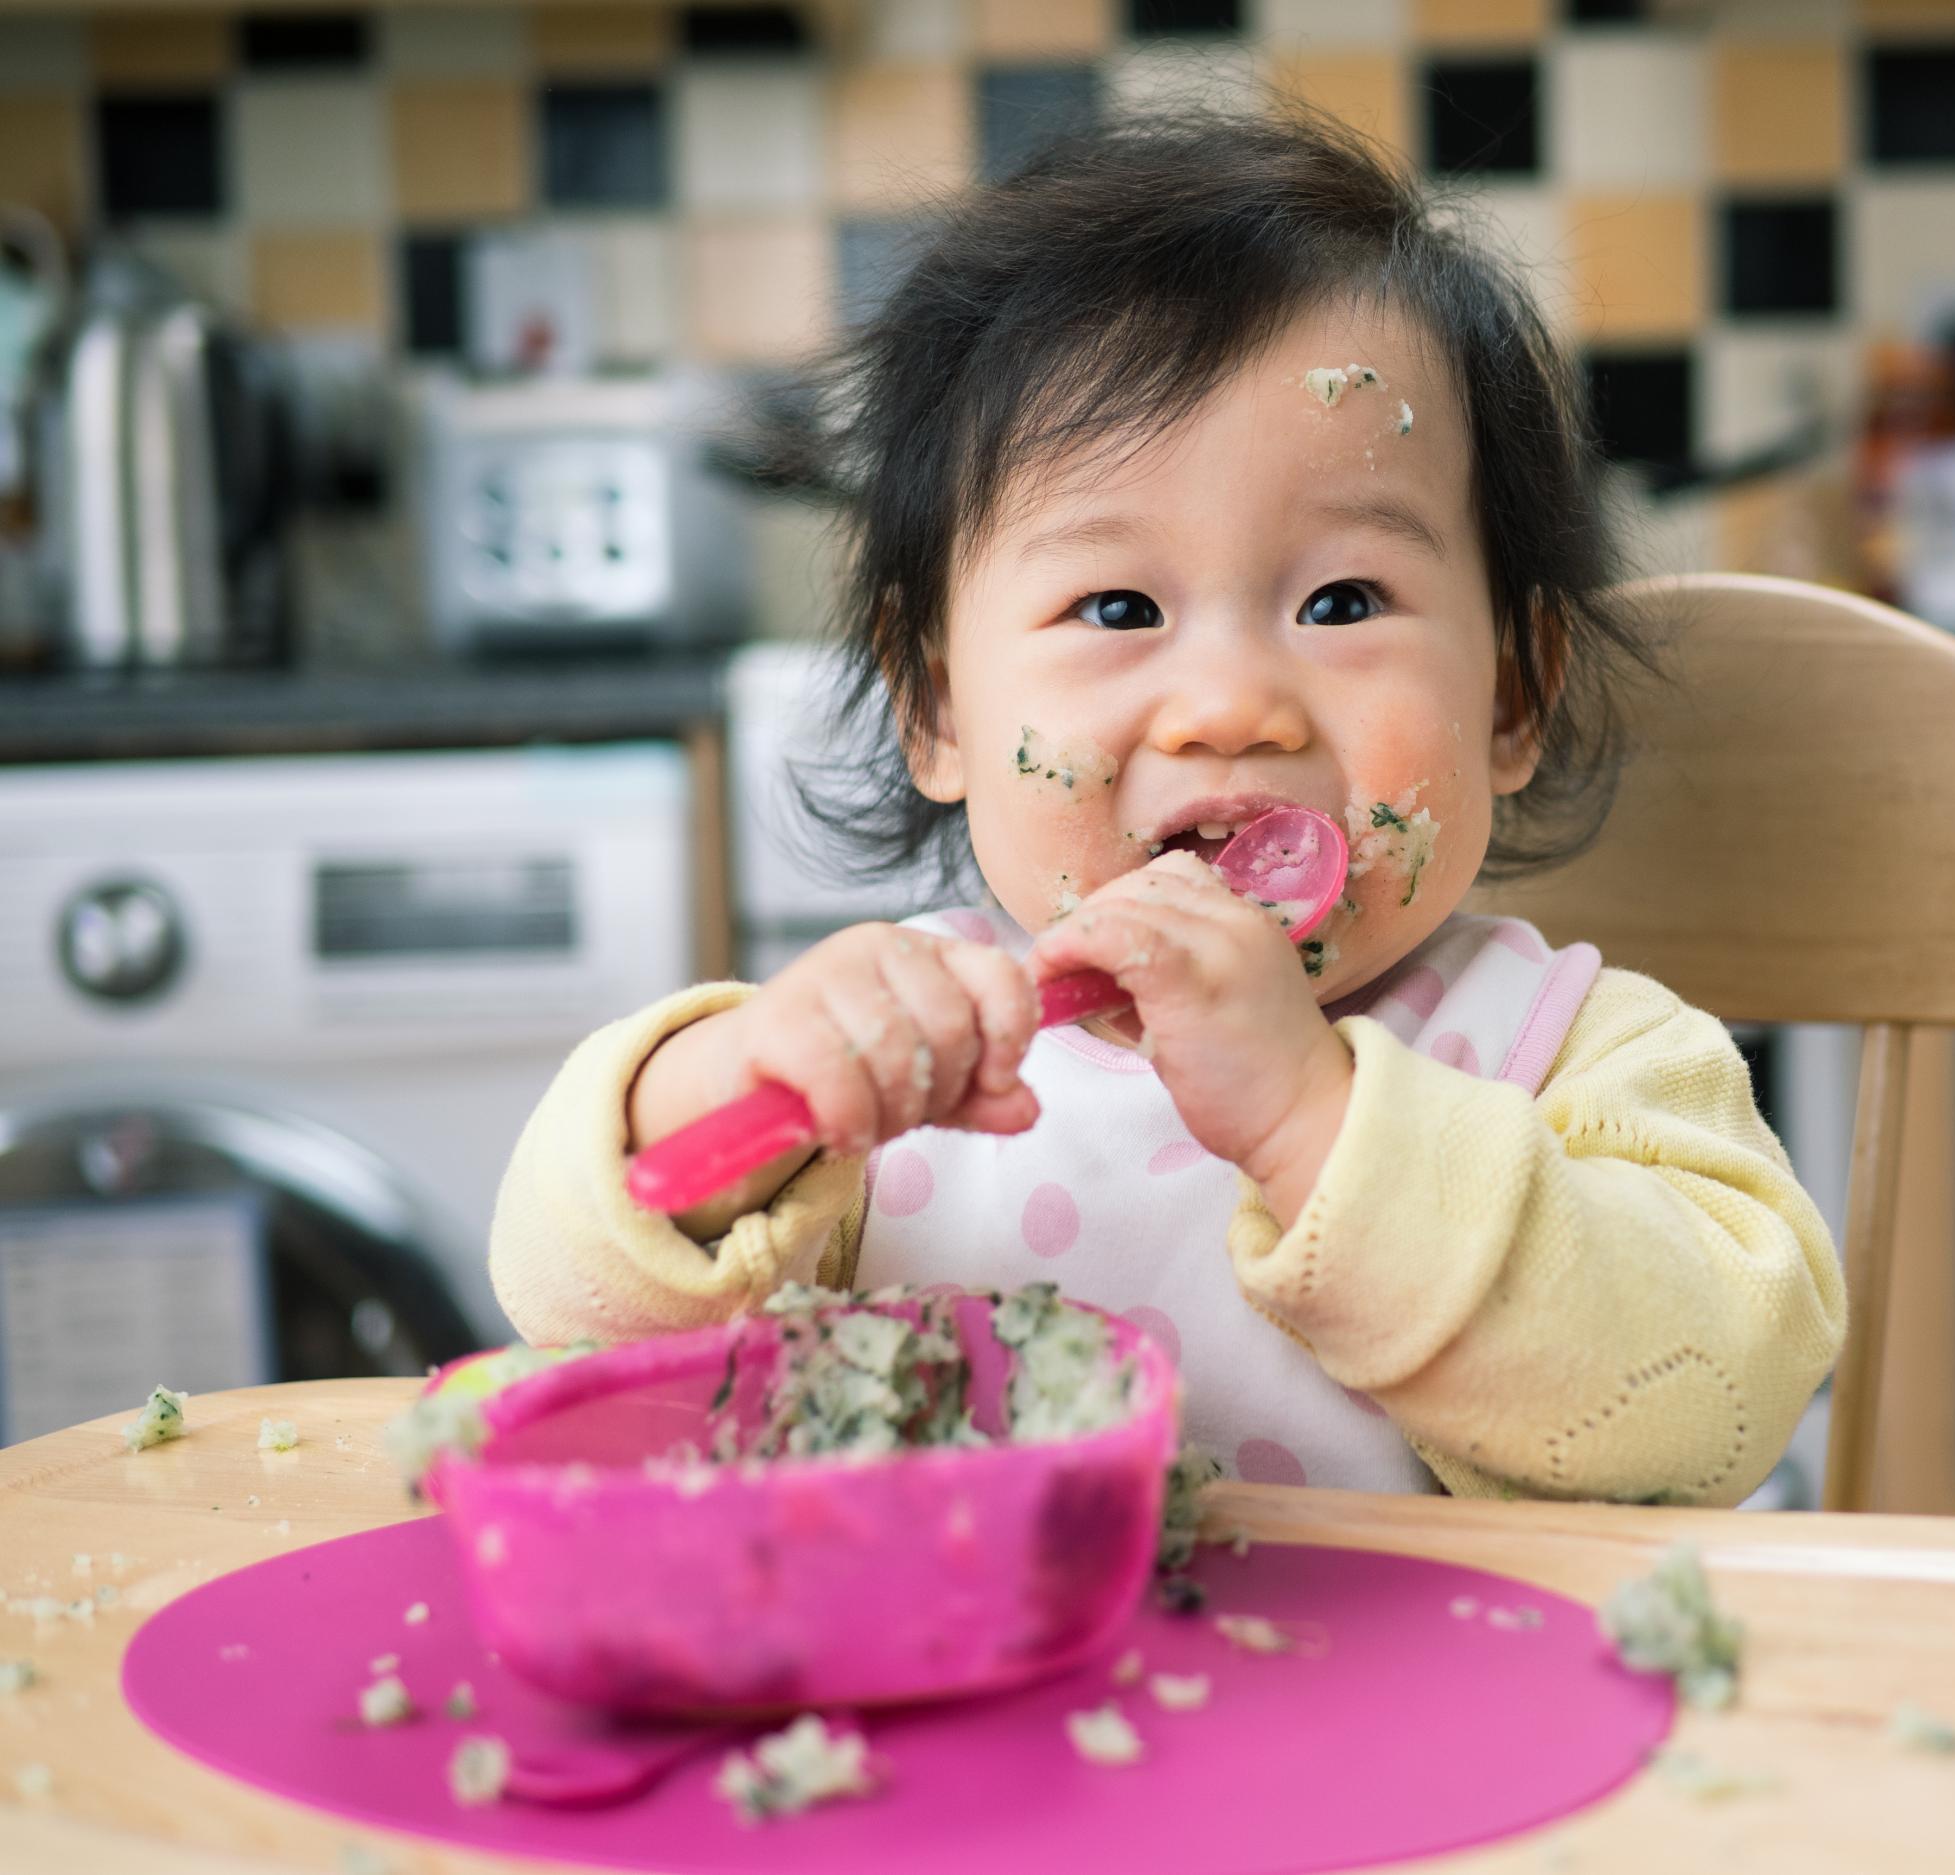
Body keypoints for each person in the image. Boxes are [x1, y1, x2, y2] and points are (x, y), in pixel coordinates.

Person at [490, 109, 1844, 1506]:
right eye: (1119, 606)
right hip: (991, 1712)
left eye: (1342, 601)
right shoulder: (903, 1076)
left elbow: (1712, 1409)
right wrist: (732, 1088)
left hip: (1442, 1718)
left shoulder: (1575, 1063)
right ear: (938, 709)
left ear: (1511, 697)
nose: (1231, 705)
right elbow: (570, 1315)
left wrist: (1315, 1126)